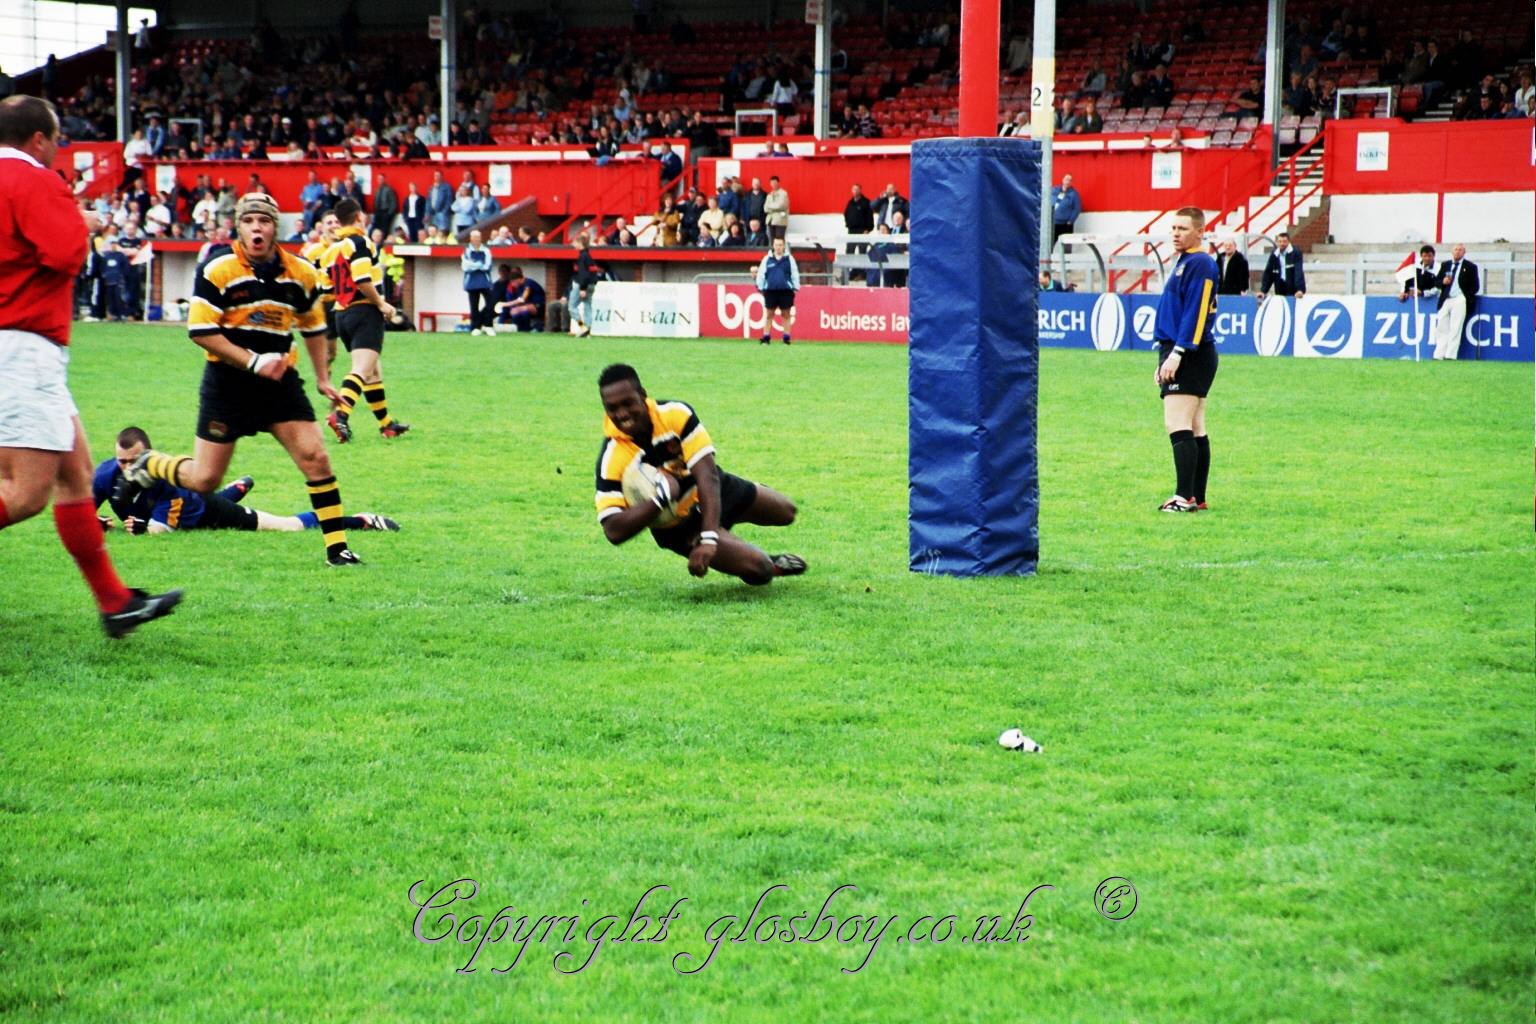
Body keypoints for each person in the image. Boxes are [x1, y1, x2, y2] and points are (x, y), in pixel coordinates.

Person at [0, 95, 181, 636]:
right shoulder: (33, 180)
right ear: (39, 139)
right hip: (22, 348)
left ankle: (115, 603)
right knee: (25, 493)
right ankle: (114, 602)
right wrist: (78, 222)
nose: (57, 150)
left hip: (19, 349)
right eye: (57, 140)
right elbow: (64, 254)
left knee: (75, 473)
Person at [116, 192, 363, 566]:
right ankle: (149, 463)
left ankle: (337, 550)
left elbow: (313, 326)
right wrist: (253, 362)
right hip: (227, 384)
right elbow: (200, 331)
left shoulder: (301, 272)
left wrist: (323, 377)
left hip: (279, 383)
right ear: (238, 227)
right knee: (205, 480)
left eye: (263, 221)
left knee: (316, 458)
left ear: (274, 227)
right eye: (248, 221)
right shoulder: (217, 269)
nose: (256, 228)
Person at [593, 363, 806, 585]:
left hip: (711, 489)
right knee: (761, 570)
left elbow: (707, 475)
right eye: (612, 408)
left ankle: (726, 521)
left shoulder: (675, 415)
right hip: (681, 526)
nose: (622, 414)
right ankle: (762, 560)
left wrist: (710, 538)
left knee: (786, 512)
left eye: (628, 403)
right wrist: (660, 499)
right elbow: (613, 530)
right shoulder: (612, 457)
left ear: (643, 395)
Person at [97, 426, 398, 535]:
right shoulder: (105, 475)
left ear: (149, 456)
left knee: (286, 526)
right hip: (195, 505)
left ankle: (361, 521)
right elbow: (80, 508)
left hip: (206, 512)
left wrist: (139, 528)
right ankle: (235, 489)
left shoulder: (170, 481)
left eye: (134, 461)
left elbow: (160, 530)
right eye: (122, 461)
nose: (128, 468)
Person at [321, 198, 410, 442]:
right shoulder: (360, 242)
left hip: (342, 314)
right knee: (361, 369)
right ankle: (340, 415)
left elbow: (326, 288)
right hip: (364, 311)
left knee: (372, 371)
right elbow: (362, 279)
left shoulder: (331, 251)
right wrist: (381, 304)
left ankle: (386, 425)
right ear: (359, 217)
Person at [1151, 207, 1219, 514]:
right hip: (1186, 350)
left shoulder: (1200, 263)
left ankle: (1183, 497)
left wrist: (1177, 353)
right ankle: (1196, 496)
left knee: (1177, 423)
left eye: (1183, 228)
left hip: (1190, 352)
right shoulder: (1186, 261)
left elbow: (1197, 311)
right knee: (1195, 425)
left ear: (1200, 232)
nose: (1176, 234)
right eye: (1174, 228)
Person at [1431, 244, 1478, 361]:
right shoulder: (1445, 265)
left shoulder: (1470, 267)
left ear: (1464, 252)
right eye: (1456, 250)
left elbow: (1475, 286)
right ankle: (1439, 354)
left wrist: (1466, 295)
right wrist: (1443, 282)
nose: (1457, 252)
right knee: (1441, 326)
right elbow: (1436, 282)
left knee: (1455, 327)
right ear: (1452, 252)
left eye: (1460, 250)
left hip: (1459, 298)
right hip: (1446, 298)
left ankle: (1450, 355)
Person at [754, 236, 800, 345]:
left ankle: (786, 338)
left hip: (786, 290)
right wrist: (760, 287)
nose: (778, 247)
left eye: (780, 245)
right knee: (769, 314)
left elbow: (795, 273)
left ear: (783, 246)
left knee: (786, 314)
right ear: (773, 246)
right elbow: (761, 274)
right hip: (771, 290)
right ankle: (766, 337)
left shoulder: (789, 259)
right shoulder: (767, 259)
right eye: (776, 245)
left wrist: (796, 287)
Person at [461, 228, 494, 336]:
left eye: (478, 237)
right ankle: (475, 327)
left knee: (490, 303)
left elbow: (487, 266)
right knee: (474, 305)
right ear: (471, 239)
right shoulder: (467, 251)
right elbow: (465, 266)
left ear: (481, 238)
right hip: (471, 281)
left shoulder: (486, 250)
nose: (476, 239)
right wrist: (478, 264)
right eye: (474, 237)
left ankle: (488, 325)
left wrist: (474, 265)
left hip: (485, 281)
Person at [495, 266, 545, 332]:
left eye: (512, 282)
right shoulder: (519, 286)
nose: (512, 285)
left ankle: (526, 329)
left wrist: (504, 304)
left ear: (517, 280)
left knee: (518, 309)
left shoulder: (528, 283)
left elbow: (522, 299)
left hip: (539, 306)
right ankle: (518, 329)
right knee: (513, 310)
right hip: (528, 306)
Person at [570, 234, 602, 336]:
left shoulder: (582, 256)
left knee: (572, 307)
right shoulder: (589, 256)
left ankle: (582, 326)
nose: (573, 245)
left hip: (582, 285)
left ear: (580, 243)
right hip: (591, 284)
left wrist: (582, 288)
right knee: (588, 306)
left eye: (575, 242)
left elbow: (583, 273)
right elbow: (593, 272)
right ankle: (588, 329)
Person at [1258, 233, 1305, 300]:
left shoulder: (1295, 252)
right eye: (1279, 241)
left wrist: (1299, 289)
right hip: (1279, 286)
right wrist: (1263, 291)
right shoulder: (1274, 254)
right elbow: (1268, 273)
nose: (1282, 244)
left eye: (1284, 241)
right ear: (1276, 242)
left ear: (1288, 242)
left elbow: (1298, 272)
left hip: (1293, 287)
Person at [1051, 174, 1082, 243]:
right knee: (1051, 243)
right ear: (1063, 180)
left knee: (1066, 245)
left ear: (1071, 183)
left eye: (1070, 180)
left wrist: (1071, 221)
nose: (1067, 182)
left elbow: (1077, 208)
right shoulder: (1054, 190)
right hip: (1053, 223)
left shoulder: (1074, 194)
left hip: (1065, 224)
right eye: (1066, 179)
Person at [763, 175, 790, 242]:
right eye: (772, 183)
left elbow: (781, 205)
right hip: (770, 221)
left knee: (779, 240)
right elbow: (765, 208)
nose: (773, 184)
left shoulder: (783, 193)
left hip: (780, 221)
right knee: (771, 241)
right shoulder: (769, 195)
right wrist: (774, 207)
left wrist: (770, 206)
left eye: (775, 182)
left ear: (778, 183)